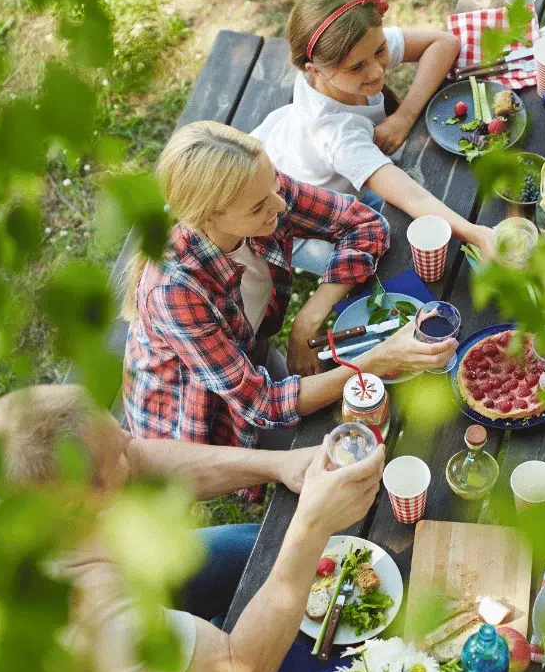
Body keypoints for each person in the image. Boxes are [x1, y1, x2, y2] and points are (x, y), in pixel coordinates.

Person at [0, 384, 385, 672]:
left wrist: (279, 464)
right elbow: (241, 670)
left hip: (128, 574)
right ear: (79, 509)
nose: (132, 445)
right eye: (120, 459)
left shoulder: (19, 455)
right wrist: (310, 527)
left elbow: (137, 457)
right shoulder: (84, 616)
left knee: (265, 550)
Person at [122, 122, 454, 448]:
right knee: (325, 444)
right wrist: (376, 360)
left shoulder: (258, 188)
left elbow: (365, 224)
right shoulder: (174, 291)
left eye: (275, 189)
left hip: (249, 352)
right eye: (258, 207)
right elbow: (263, 405)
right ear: (208, 217)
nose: (280, 206)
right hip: (196, 416)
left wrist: (309, 316)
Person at [251, 0, 496, 261]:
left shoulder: (355, 49)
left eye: (380, 51)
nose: (377, 72)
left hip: (288, 149)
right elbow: (413, 198)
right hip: (299, 222)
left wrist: (404, 116)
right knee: (383, 256)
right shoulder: (337, 134)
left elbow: (444, 44)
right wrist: (477, 234)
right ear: (313, 69)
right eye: (357, 68)